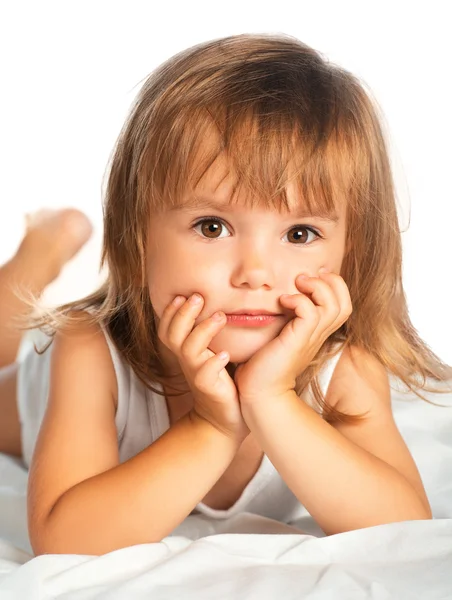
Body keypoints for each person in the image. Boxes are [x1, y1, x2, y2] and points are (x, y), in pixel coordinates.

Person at [1, 32, 451, 557]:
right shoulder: (90, 350)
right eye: (212, 227)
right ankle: (41, 250)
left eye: (300, 234)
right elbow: (65, 541)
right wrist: (212, 426)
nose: (256, 274)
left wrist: (270, 399)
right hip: (36, 384)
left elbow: (402, 527)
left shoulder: (344, 368)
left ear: (353, 249)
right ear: (137, 232)